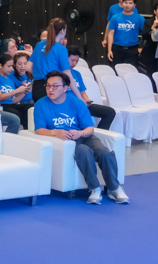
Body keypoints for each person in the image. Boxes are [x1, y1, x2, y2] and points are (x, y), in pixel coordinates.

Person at [34, 71, 129, 205]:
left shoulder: (77, 103)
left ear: (65, 88)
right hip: (65, 141)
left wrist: (80, 134)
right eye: (48, 86)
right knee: (84, 151)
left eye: (55, 86)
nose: (50, 89)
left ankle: (115, 188)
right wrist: (55, 132)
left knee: (105, 152)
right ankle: (94, 189)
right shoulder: (41, 104)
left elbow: (90, 129)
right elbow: (39, 130)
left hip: (83, 136)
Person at [66, 48, 116, 130]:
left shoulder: (77, 74)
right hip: (68, 105)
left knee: (110, 112)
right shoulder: (58, 74)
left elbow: (83, 93)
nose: (74, 63)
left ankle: (101, 135)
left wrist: (87, 101)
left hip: (81, 104)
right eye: (72, 60)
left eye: (77, 61)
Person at [30, 18, 70, 101]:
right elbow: (67, 73)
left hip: (36, 87)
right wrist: (79, 96)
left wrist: (40, 74)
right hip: (52, 87)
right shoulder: (61, 49)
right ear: (63, 31)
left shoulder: (39, 45)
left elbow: (28, 67)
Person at [0, 54, 33, 127]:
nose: (11, 69)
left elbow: (14, 100)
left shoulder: (10, 80)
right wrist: (16, 91)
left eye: (12, 66)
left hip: (11, 105)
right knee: (17, 114)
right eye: (8, 66)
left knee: (29, 108)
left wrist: (25, 91)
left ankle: (26, 132)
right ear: (0, 65)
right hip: (0, 106)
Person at [105, 0, 143, 65]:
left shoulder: (139, 18)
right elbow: (110, 34)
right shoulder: (115, 17)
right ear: (122, 4)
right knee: (116, 69)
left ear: (134, 5)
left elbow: (146, 32)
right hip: (117, 48)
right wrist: (109, 50)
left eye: (130, 3)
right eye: (125, 3)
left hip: (133, 48)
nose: (127, 5)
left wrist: (141, 47)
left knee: (132, 70)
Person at [139, 2, 158, 74]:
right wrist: (152, 27)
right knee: (151, 74)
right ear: (155, 11)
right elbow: (144, 36)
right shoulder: (149, 22)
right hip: (151, 52)